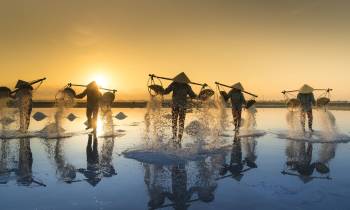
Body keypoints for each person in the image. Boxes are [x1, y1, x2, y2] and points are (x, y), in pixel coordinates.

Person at [163, 72, 197, 142]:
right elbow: (166, 91)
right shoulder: (178, 85)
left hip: (180, 106)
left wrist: (198, 96)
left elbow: (166, 91)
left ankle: (178, 137)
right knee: (177, 121)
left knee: (177, 121)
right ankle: (176, 136)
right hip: (178, 106)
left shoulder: (181, 85)